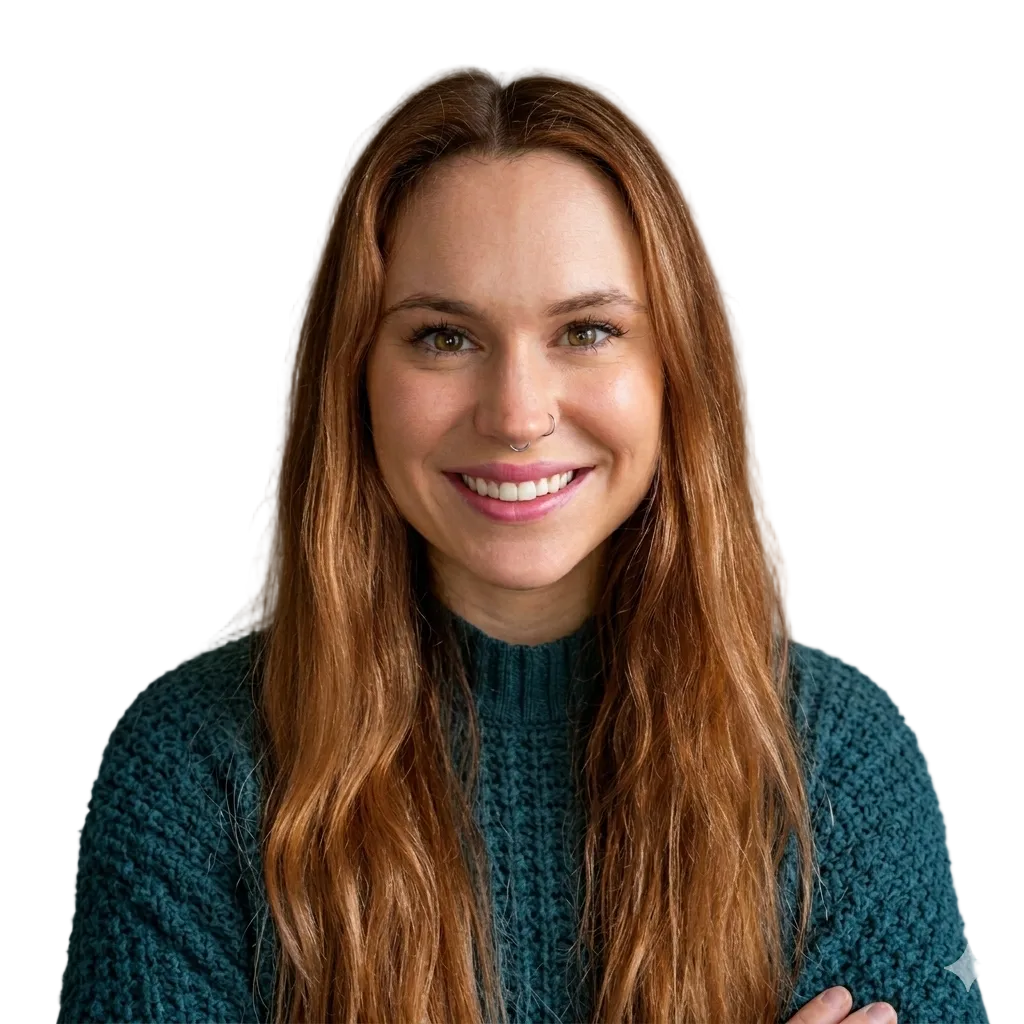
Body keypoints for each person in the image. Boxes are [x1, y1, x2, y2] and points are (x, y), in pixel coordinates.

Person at [56, 69, 988, 1024]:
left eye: (587, 330)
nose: (517, 414)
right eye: (445, 338)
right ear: (357, 377)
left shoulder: (832, 762)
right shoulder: (195, 768)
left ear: (674, 369)